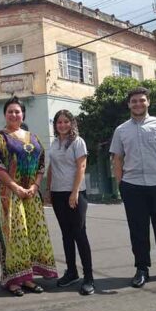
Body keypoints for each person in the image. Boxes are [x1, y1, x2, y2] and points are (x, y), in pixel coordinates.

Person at [0, 96, 57, 296]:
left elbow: (42, 164)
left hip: (31, 195)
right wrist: (15, 187)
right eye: (10, 111)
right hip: (9, 194)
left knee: (31, 236)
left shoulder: (33, 137)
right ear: (5, 115)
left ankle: (28, 279)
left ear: (23, 114)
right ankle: (12, 281)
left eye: (17, 111)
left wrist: (35, 186)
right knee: (14, 235)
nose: (14, 114)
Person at [110, 87, 156, 288]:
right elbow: (117, 158)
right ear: (129, 104)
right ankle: (142, 269)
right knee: (138, 230)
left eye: (142, 100)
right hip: (133, 186)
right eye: (134, 101)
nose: (138, 104)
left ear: (148, 102)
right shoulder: (121, 130)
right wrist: (121, 184)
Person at [47, 110, 94, 295]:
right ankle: (72, 272)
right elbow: (51, 167)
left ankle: (89, 277)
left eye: (66, 121)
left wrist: (74, 192)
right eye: (59, 122)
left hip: (75, 194)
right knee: (66, 234)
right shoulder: (54, 143)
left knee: (79, 234)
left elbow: (82, 166)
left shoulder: (77, 141)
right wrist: (48, 189)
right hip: (58, 193)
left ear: (71, 123)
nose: (63, 125)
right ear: (55, 125)